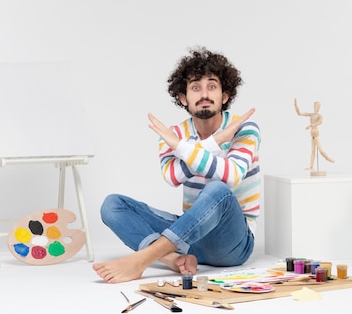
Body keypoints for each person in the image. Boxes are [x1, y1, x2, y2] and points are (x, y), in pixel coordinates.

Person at [92, 46, 261, 284]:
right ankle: (172, 259)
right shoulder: (173, 133)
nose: (204, 94)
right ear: (183, 98)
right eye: (195, 87)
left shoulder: (243, 128)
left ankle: (143, 259)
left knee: (217, 189)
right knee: (113, 205)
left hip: (232, 242)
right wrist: (214, 143)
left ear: (224, 96)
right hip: (189, 237)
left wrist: (187, 147)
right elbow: (172, 176)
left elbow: (232, 175)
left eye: (212, 86)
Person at [294, 99, 334, 171]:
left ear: (319, 107)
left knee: (320, 150)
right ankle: (311, 167)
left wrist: (310, 125)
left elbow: (320, 122)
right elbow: (299, 113)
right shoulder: (311, 114)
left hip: (315, 131)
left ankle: (328, 158)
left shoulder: (319, 115)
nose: (315, 107)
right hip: (312, 133)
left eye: (317, 106)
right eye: (314, 106)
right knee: (313, 151)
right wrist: (296, 105)